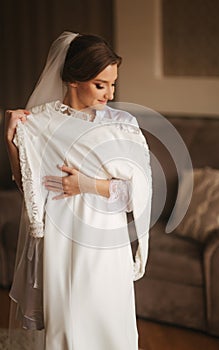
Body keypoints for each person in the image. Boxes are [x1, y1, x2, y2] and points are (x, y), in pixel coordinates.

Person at [5, 32, 152, 350]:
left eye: (113, 84)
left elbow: (136, 194)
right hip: (62, 239)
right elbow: (28, 186)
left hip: (105, 239)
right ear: (73, 79)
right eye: (101, 84)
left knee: (110, 326)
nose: (110, 95)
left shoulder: (121, 125)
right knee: (68, 329)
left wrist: (85, 184)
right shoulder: (41, 123)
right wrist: (12, 141)